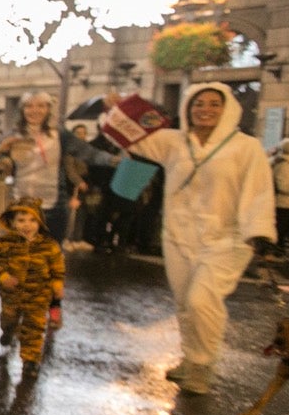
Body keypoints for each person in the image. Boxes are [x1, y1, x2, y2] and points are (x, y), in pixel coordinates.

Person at [116, 83, 274, 395]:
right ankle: (190, 356)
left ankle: (203, 365)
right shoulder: (174, 141)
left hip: (227, 238)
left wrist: (260, 232)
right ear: (188, 108)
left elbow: (259, 190)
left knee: (202, 301)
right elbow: (132, 137)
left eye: (214, 104)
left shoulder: (246, 147)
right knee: (185, 302)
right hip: (178, 234)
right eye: (199, 104)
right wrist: (119, 107)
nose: (206, 110)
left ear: (227, 108)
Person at [0, 93, 115, 241]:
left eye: (40, 106)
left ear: (49, 109)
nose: (34, 110)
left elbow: (89, 154)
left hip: (54, 207)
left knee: (51, 256)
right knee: (21, 256)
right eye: (29, 106)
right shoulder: (13, 134)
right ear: (22, 110)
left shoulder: (60, 134)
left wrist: (116, 160)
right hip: (22, 207)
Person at [0, 196, 64, 384]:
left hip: (39, 296)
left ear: (39, 222)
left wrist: (57, 283)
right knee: (9, 318)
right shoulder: (6, 243)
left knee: (34, 327)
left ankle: (30, 360)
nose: (27, 225)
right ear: (12, 223)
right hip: (12, 295)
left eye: (32, 220)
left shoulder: (49, 246)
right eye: (21, 220)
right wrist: (4, 276)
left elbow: (57, 267)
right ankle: (8, 330)